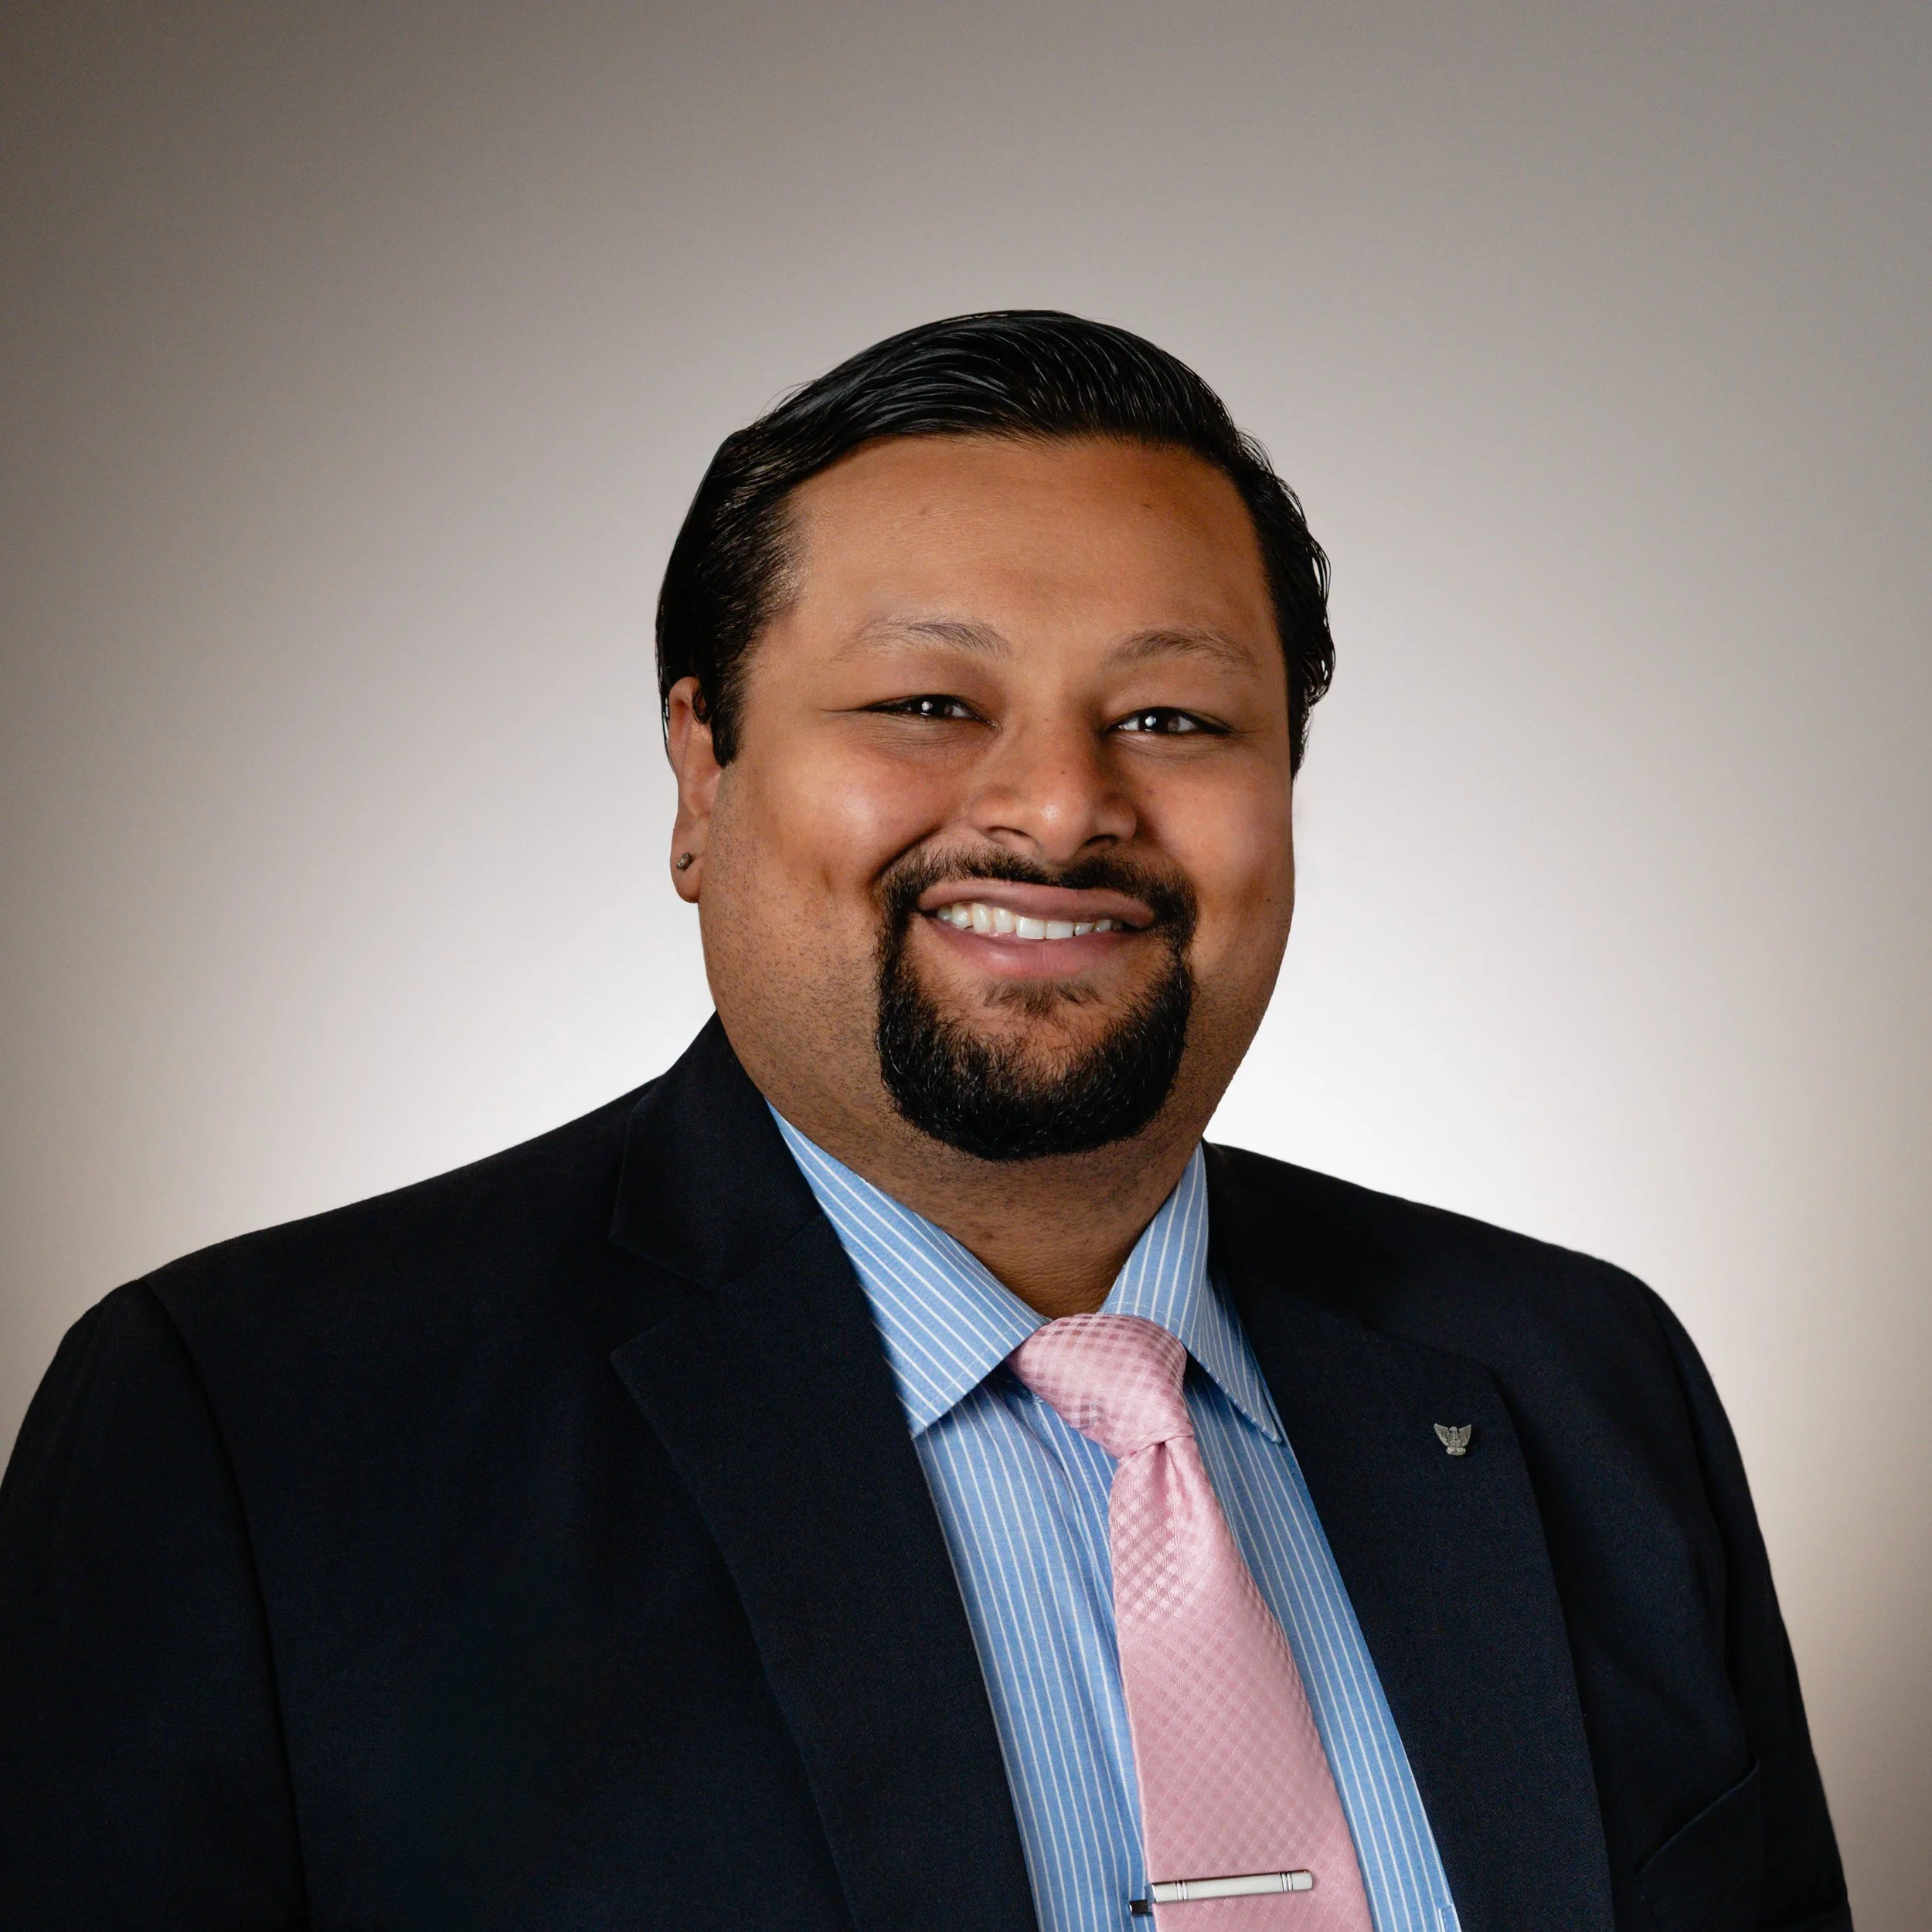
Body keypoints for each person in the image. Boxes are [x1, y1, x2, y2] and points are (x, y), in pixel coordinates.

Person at [0, 312, 1847, 1932]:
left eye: (1173, 715)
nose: (1056, 808)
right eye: (926, 700)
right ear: (702, 774)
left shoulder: (1576, 1381)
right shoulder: (251, 1432)